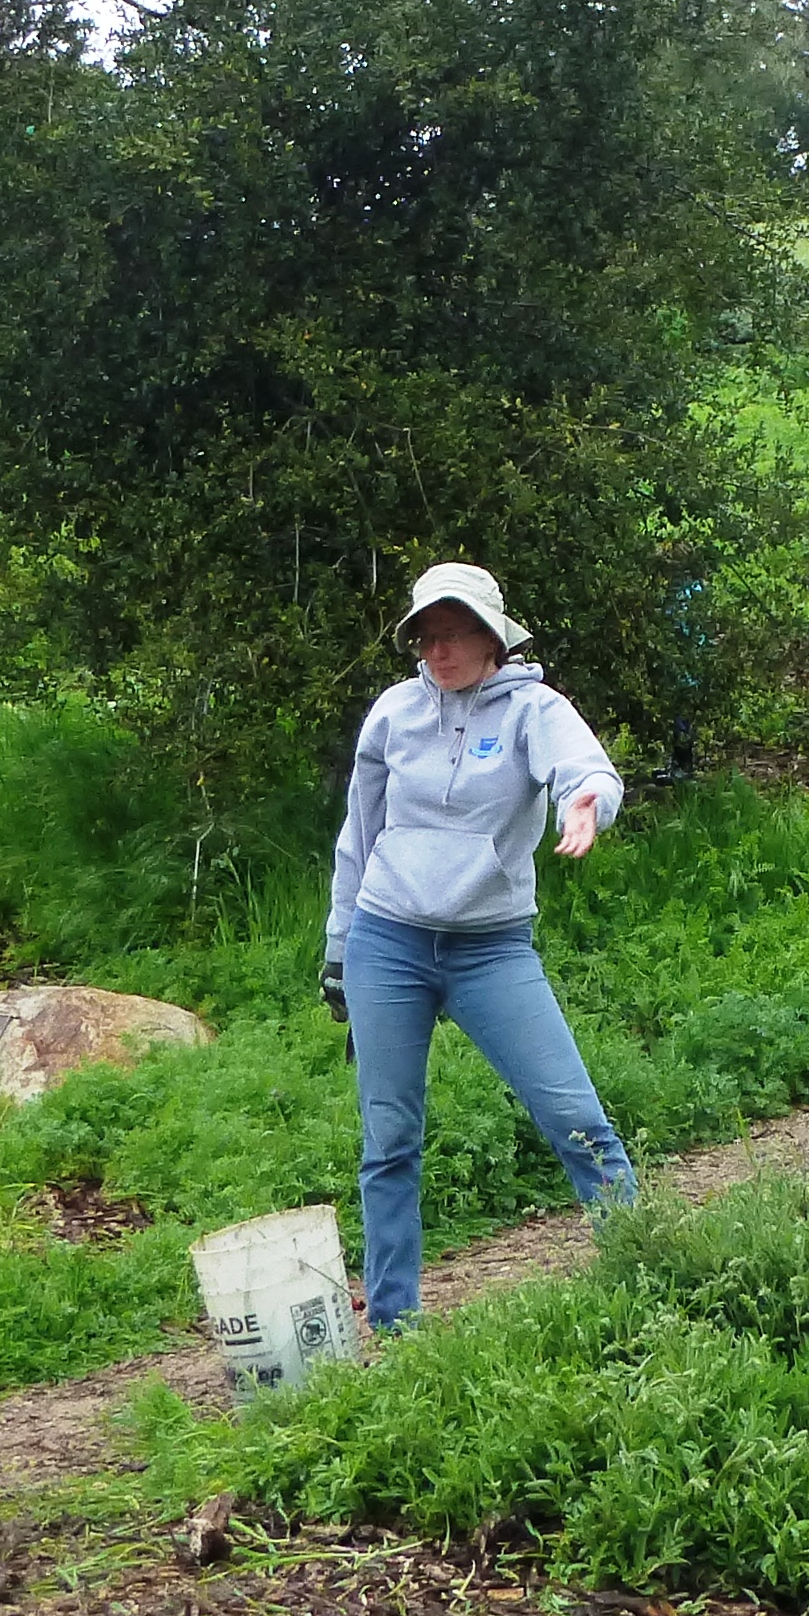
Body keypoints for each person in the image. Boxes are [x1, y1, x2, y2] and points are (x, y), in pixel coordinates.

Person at [324, 563, 637, 1333]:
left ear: (491, 634)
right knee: (389, 1138)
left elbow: (585, 769)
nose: (439, 650)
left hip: (490, 948)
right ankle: (395, 1324)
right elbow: (358, 838)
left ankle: (643, 1274)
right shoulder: (394, 714)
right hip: (386, 939)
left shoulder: (533, 708)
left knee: (576, 1117)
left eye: (454, 632)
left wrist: (588, 806)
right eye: (425, 636)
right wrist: (339, 948)